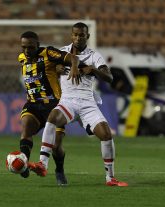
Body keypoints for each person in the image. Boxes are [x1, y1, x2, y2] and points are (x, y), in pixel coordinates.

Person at [29, 22, 128, 187]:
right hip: (68, 101)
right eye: (75, 34)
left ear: (87, 36)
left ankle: (110, 178)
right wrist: (57, 69)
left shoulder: (94, 56)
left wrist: (94, 71)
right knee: (53, 117)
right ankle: (42, 164)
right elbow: (47, 67)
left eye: (81, 35)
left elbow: (109, 78)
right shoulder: (62, 52)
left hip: (88, 103)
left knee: (106, 135)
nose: (77, 38)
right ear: (71, 35)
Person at [17, 31, 80, 180]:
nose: (27, 51)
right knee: (26, 128)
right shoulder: (21, 58)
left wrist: (73, 67)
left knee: (56, 146)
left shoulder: (48, 52)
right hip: (33, 104)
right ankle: (23, 164)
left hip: (53, 105)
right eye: (24, 47)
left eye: (31, 47)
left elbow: (71, 58)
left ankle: (59, 169)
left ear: (38, 45)